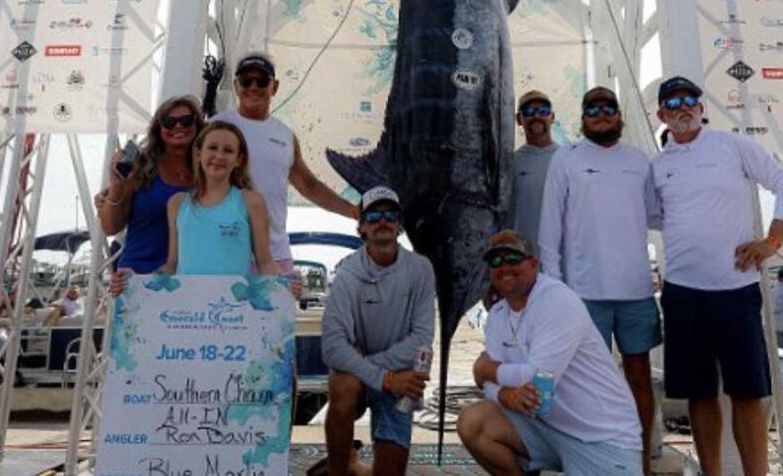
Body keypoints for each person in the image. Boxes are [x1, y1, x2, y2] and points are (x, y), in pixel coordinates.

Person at [651, 76, 783, 476]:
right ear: (661, 114)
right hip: (682, 292)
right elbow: (652, 217)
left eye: (691, 100)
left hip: (736, 290)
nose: (684, 107)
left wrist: (772, 241)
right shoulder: (658, 166)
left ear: (701, 108)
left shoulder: (733, 146)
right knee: (699, 394)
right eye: (674, 102)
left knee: (748, 393)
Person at [539, 86, 660, 475]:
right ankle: (597, 459)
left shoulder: (640, 161)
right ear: (582, 116)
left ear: (619, 114)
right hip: (582, 293)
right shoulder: (566, 158)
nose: (601, 113)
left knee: (639, 375)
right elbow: (549, 227)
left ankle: (640, 461)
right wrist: (556, 289)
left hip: (637, 290)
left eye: (609, 107)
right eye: (593, 108)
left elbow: (659, 215)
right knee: (586, 382)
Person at [458, 230, 642, 476]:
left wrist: (485, 368)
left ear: (534, 264)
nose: (504, 267)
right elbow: (488, 386)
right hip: (544, 428)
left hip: (601, 438)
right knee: (472, 422)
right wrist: (505, 395)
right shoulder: (498, 316)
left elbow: (536, 376)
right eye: (496, 262)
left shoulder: (557, 300)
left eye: (513, 259)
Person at [318, 186, 436, 476]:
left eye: (390, 214)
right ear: (361, 226)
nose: (382, 221)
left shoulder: (422, 269)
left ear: (400, 224)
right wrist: (384, 378)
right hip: (374, 378)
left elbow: (422, 340)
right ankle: (338, 470)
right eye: (373, 215)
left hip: (398, 377)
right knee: (343, 388)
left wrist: (373, 371)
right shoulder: (346, 273)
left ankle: (352, 464)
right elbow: (332, 346)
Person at [213, 52, 359, 276]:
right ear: (235, 85)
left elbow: (309, 185)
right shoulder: (215, 127)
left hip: (275, 255)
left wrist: (353, 211)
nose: (253, 87)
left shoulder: (286, 136)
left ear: (275, 86)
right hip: (223, 253)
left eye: (261, 81)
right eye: (245, 81)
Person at [97, 95, 204, 280]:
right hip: (139, 276)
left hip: (192, 279)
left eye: (186, 120)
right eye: (169, 122)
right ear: (158, 129)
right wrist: (116, 187)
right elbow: (110, 227)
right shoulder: (140, 167)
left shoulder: (210, 170)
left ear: (197, 126)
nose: (178, 126)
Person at [160, 121, 278, 277]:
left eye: (228, 150)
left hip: (234, 301)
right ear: (198, 154)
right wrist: (133, 280)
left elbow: (265, 263)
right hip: (187, 300)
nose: (219, 156)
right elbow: (172, 264)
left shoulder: (251, 202)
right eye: (212, 148)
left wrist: (285, 287)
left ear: (239, 160)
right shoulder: (177, 203)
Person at [508, 90, 559, 245]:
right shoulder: (509, 164)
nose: (536, 116)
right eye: (529, 111)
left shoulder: (570, 160)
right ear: (518, 119)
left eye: (543, 111)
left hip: (563, 265)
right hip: (523, 263)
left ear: (552, 117)